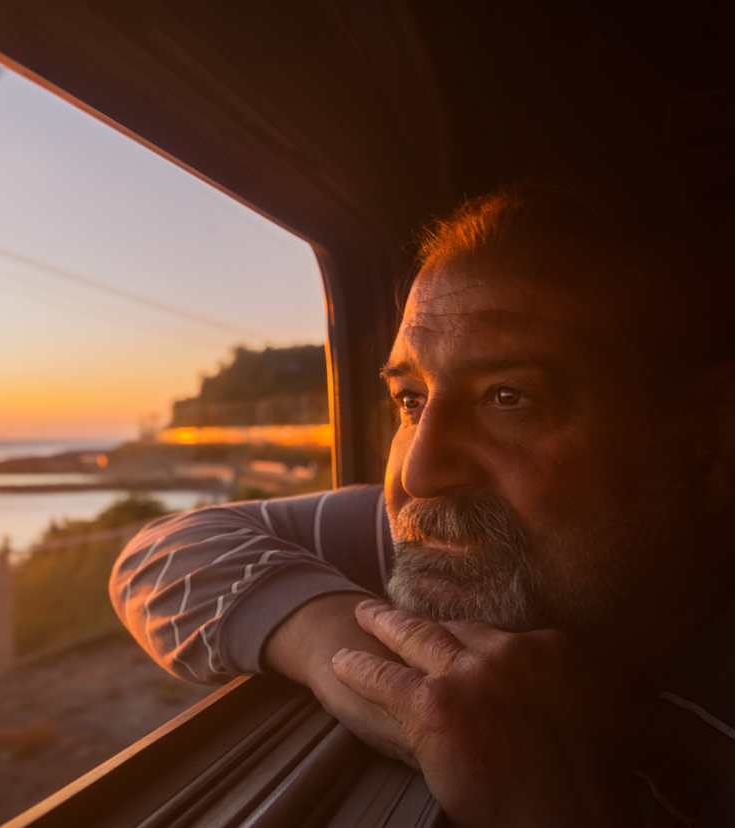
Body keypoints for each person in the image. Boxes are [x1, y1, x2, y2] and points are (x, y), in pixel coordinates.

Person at [110, 183, 735, 827]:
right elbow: (162, 551)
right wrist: (341, 650)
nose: (419, 473)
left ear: (711, 444)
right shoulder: (458, 547)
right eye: (410, 400)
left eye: (508, 397)